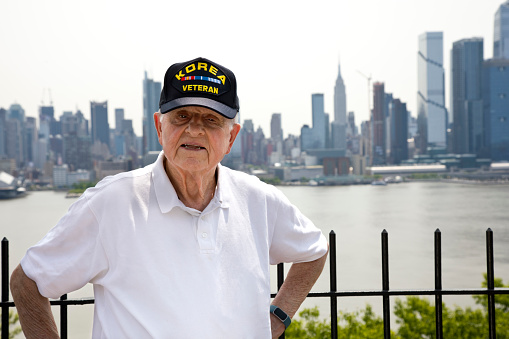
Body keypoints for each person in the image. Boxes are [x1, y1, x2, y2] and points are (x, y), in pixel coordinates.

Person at [10, 57, 328, 338]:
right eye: (181, 117)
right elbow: (27, 282)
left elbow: (315, 249)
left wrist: (280, 314)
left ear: (231, 137)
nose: (194, 130)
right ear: (159, 128)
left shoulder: (258, 199)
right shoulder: (111, 203)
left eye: (211, 120)